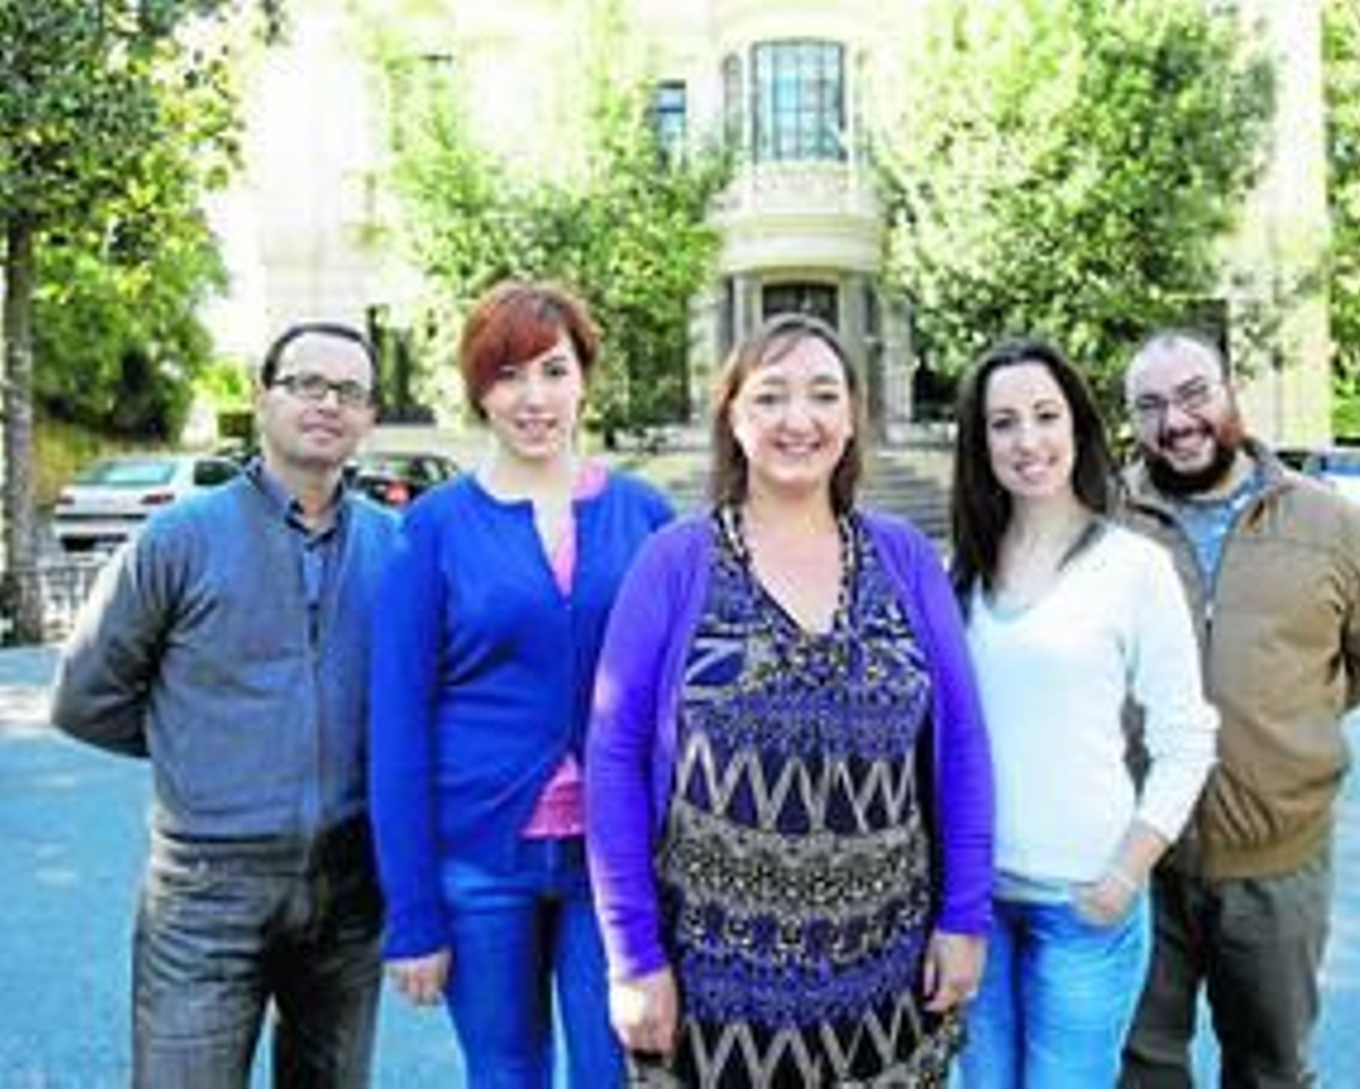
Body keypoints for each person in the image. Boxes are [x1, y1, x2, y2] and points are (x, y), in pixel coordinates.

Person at [584, 313, 993, 1085]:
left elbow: (963, 741)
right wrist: (632, 957)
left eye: (823, 395)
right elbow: (612, 757)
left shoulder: (903, 555)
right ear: (734, 419)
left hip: (886, 977)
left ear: (851, 419)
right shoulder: (676, 560)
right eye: (770, 396)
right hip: (715, 994)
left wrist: (963, 917)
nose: (797, 419)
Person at [50, 322, 396, 1086]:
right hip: (206, 893)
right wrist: (200, 743)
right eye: (306, 383)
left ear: (369, 415)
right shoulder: (178, 537)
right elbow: (84, 696)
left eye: (349, 391)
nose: (327, 404)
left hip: (350, 889)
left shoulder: (396, 547)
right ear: (260, 397)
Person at [368, 280, 673, 1087]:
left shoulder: (647, 515)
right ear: (478, 390)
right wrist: (411, 918)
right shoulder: (431, 528)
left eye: (553, 370)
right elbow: (396, 730)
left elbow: (684, 699)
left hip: (613, 861)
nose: (533, 398)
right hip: (478, 864)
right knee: (506, 1074)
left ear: (584, 379)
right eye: (507, 375)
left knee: (614, 1072)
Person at [1116, 330, 1360, 1088]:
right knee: (1141, 1068)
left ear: (1230, 390)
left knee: (1271, 1068)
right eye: (1149, 406)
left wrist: (1290, 726)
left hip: (1279, 864)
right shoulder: (1103, 520)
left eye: (1193, 394)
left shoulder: (1328, 521)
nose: (1175, 422)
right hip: (1138, 860)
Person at [947, 337, 1218, 1087]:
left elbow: (1186, 737)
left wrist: (1125, 875)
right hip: (977, 907)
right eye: (1003, 423)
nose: (1027, 440)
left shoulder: (1133, 568)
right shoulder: (959, 572)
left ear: (1078, 427)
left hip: (1085, 907)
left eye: (1045, 415)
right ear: (981, 442)